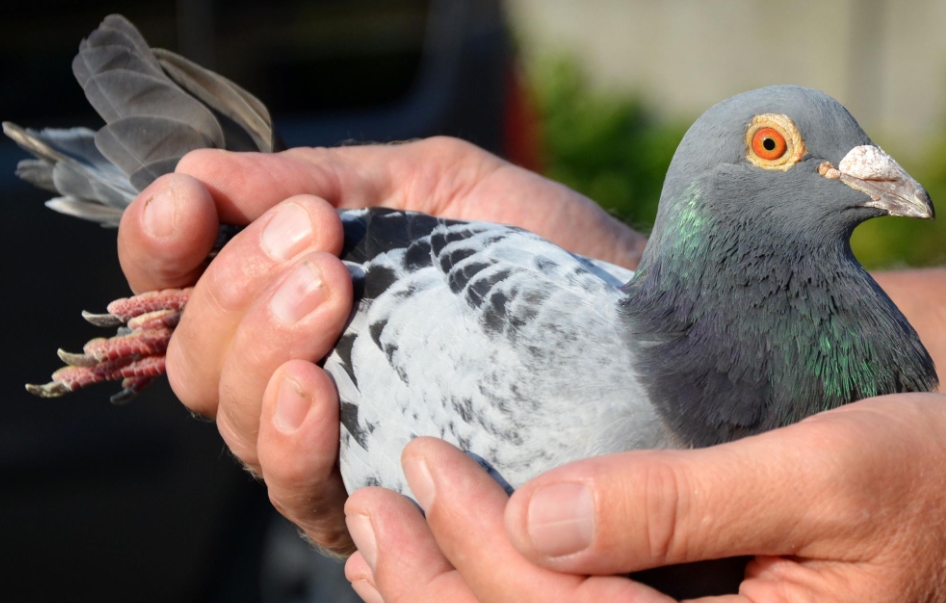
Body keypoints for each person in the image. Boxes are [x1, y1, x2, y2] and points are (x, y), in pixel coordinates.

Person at [117, 137, 946, 602]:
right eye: (774, 145)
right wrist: (221, 277)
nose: (868, 165)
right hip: (342, 278)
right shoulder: (580, 412)